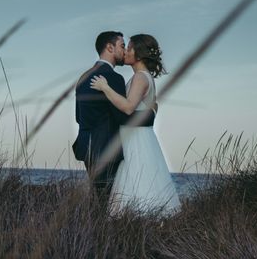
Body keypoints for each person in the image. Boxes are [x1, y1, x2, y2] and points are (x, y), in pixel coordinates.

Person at [90, 34, 181, 215]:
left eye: (129, 48)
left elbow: (129, 107)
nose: (125, 52)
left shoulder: (140, 77)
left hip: (136, 140)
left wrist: (105, 87)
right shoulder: (143, 77)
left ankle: (135, 226)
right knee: (141, 184)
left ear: (138, 54)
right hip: (139, 136)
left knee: (137, 182)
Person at [72, 31, 155, 205]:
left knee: (98, 198)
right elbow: (123, 117)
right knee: (108, 202)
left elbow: (79, 117)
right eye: (122, 46)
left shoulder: (83, 77)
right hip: (107, 148)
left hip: (86, 146)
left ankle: (92, 231)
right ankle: (101, 232)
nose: (124, 51)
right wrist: (151, 114)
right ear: (110, 47)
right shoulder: (113, 78)